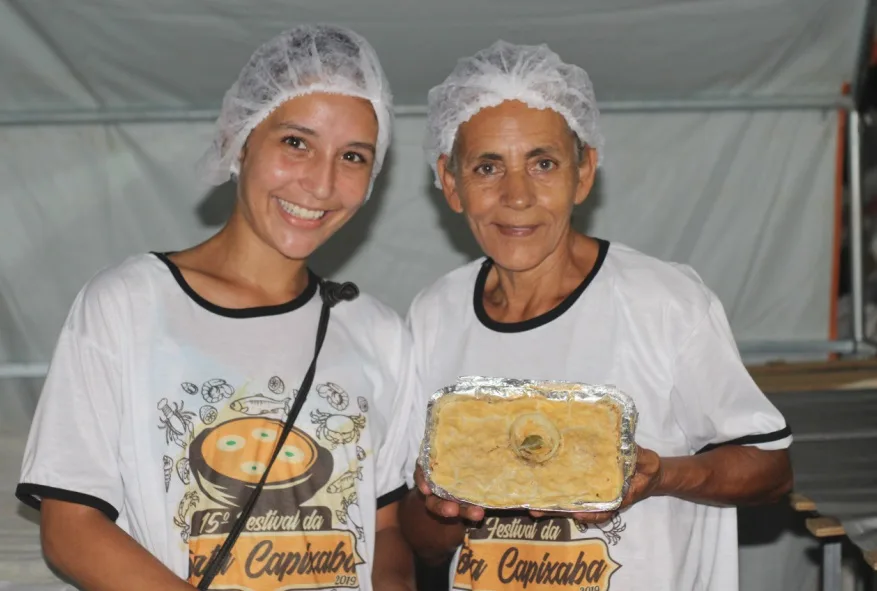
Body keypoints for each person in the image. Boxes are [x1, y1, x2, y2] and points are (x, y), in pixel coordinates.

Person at [17, 24, 415, 591]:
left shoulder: (378, 332)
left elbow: (386, 528)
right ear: (240, 136)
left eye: (352, 156)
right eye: (296, 142)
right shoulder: (129, 304)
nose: (321, 184)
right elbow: (71, 526)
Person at [400, 40, 793, 591]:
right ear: (451, 181)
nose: (517, 196)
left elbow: (772, 470)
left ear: (583, 173)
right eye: (488, 167)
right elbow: (421, 539)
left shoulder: (662, 301)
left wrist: (660, 476)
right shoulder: (435, 314)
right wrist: (441, 507)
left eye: (543, 163)